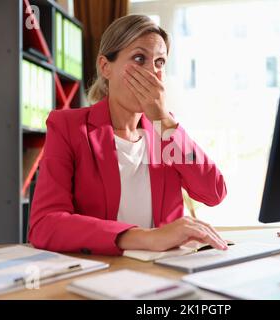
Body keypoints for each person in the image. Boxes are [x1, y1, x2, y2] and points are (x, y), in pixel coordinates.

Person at [28, 15, 228, 256]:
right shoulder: (68, 127)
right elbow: (44, 225)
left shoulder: (164, 131)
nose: (152, 73)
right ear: (105, 67)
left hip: (166, 270)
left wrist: (164, 122)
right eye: (139, 58)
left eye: (160, 62)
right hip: (105, 270)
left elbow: (213, 193)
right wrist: (146, 237)